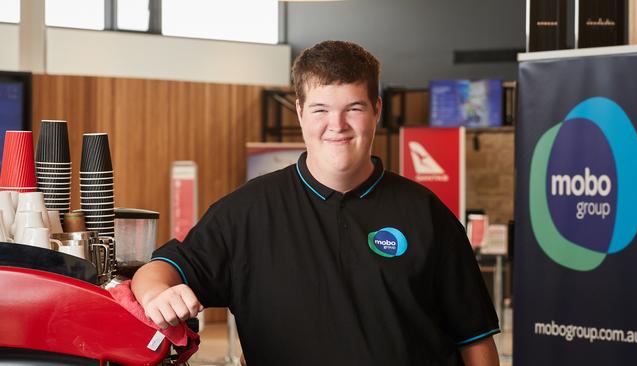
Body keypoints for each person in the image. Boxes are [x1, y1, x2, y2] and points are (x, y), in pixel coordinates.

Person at [132, 40, 500, 366]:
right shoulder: (246, 213)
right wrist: (157, 295)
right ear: (300, 112)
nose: (337, 124)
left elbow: (474, 338)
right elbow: (160, 270)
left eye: (353, 108)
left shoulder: (425, 213)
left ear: (376, 110)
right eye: (321, 109)